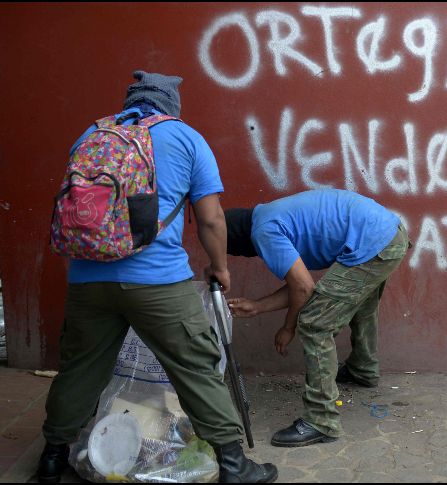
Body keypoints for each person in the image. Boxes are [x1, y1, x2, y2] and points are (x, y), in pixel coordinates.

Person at [38, 71, 277, 483]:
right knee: (196, 367)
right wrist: (220, 266)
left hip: (87, 279)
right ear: (171, 106)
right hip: (158, 282)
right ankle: (235, 466)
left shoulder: (91, 136)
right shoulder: (185, 138)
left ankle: (53, 457)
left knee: (78, 368)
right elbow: (211, 219)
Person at [224, 188, 410, 447]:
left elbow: (303, 288)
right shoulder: (267, 216)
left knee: (314, 323)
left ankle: (321, 421)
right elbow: (299, 283)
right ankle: (362, 369)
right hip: (386, 234)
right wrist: (258, 306)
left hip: (373, 241)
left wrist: (288, 327)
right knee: (360, 304)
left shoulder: (263, 232)